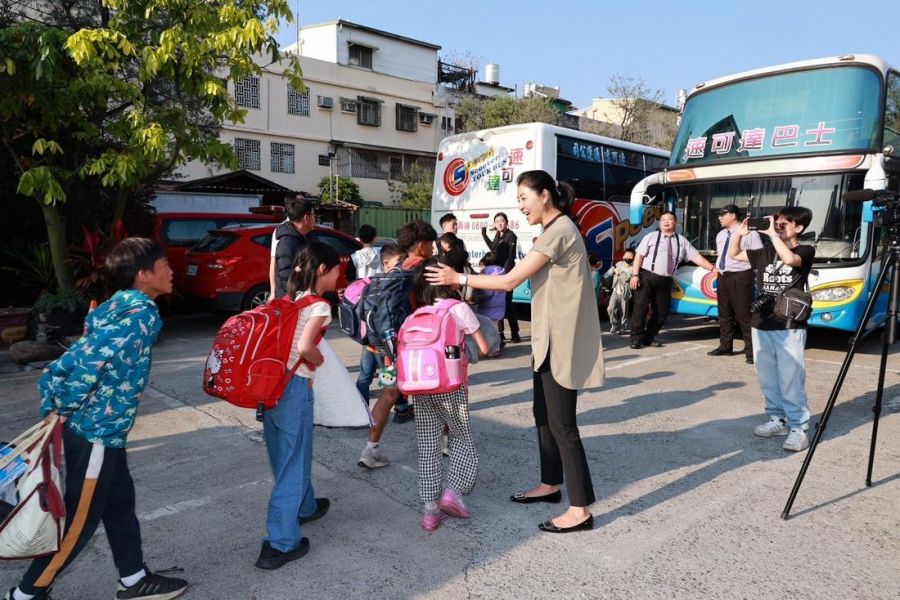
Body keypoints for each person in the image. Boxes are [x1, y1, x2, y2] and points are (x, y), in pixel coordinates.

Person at [6, 238, 188, 600]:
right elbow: (88, 364)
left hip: (106, 433)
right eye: (164, 264)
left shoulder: (115, 308)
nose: (171, 271)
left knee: (119, 502)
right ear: (143, 275)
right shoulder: (141, 315)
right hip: (94, 433)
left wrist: (59, 403)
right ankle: (27, 593)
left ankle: (134, 578)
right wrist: (60, 406)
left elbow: (85, 355)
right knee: (78, 521)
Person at [428, 170, 604, 534]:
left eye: (524, 197)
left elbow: (510, 281)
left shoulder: (560, 231)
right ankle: (550, 483)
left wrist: (458, 279)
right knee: (543, 415)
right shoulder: (551, 231)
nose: (521, 206)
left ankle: (581, 508)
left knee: (562, 425)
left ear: (544, 196)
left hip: (562, 341)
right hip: (547, 339)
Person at [255, 242, 337, 570]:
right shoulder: (320, 306)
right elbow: (306, 347)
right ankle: (280, 543)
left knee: (284, 455)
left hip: (268, 387)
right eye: (335, 270)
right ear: (321, 271)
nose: (338, 276)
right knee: (294, 461)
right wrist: (317, 361)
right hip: (293, 390)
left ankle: (304, 506)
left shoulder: (287, 301)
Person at [408, 256, 492, 531]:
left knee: (429, 447)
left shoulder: (418, 313)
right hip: (452, 388)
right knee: (462, 439)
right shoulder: (457, 308)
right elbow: (485, 348)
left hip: (421, 389)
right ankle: (453, 493)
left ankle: (430, 511)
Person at [728, 207, 815, 452]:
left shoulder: (805, 250)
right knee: (767, 375)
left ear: (799, 228)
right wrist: (739, 232)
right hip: (761, 321)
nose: (778, 226)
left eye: (784, 224)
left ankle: (799, 427)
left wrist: (773, 236)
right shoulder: (764, 251)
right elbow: (734, 254)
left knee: (791, 376)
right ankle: (777, 419)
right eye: (777, 222)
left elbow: (790, 260)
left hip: (789, 323)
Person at [358, 220, 437, 468]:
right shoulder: (426, 269)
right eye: (432, 244)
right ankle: (442, 445)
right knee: (436, 393)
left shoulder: (394, 270)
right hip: (419, 347)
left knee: (389, 393)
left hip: (390, 347)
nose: (434, 249)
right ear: (422, 245)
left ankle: (370, 450)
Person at [629, 211, 717, 349]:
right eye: (663, 219)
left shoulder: (681, 241)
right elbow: (638, 257)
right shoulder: (651, 237)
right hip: (647, 276)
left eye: (669, 219)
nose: (666, 222)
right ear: (660, 223)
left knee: (662, 311)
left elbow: (696, 257)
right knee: (640, 308)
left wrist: (712, 268)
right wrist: (635, 275)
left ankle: (649, 337)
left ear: (675, 222)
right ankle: (636, 338)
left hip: (666, 280)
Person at [355, 244, 406, 404]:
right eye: (399, 261)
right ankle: (401, 407)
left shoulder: (373, 282)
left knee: (365, 376)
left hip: (369, 340)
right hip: (382, 340)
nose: (402, 265)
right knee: (388, 375)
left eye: (403, 261)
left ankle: (360, 410)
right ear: (386, 263)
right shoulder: (392, 285)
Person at [709, 205, 759, 364]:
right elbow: (721, 254)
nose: (719, 218)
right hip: (723, 276)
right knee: (724, 314)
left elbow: (758, 255)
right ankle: (725, 346)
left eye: (722, 215)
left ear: (732, 215)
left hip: (742, 276)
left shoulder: (750, 233)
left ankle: (752, 351)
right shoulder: (720, 235)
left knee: (744, 315)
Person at [481, 213, 520, 343]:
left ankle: (515, 333)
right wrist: (484, 234)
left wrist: (505, 275)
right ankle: (500, 333)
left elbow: (510, 257)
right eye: (497, 221)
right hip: (498, 275)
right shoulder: (498, 235)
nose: (499, 223)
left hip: (506, 274)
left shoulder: (511, 236)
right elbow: (492, 248)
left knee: (507, 305)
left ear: (507, 222)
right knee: (498, 304)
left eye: (502, 221)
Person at [269, 198, 316, 299]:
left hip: (305, 297)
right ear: (306, 217)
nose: (315, 218)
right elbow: (289, 281)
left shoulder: (306, 237)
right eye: (313, 215)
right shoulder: (286, 245)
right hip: (293, 302)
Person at [604, 248, 635, 334]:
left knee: (624, 311)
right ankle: (614, 324)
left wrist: (620, 273)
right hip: (615, 291)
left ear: (633, 257)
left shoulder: (634, 268)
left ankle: (623, 327)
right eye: (626, 256)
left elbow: (628, 278)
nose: (628, 258)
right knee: (610, 308)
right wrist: (613, 271)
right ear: (623, 256)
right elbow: (607, 274)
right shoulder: (618, 264)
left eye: (630, 256)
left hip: (626, 293)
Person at [477, 253, 506, 331]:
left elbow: (488, 292)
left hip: (487, 306)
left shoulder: (486, 272)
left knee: (486, 330)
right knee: (495, 327)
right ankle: (497, 342)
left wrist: (478, 298)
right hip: (499, 305)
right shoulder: (502, 272)